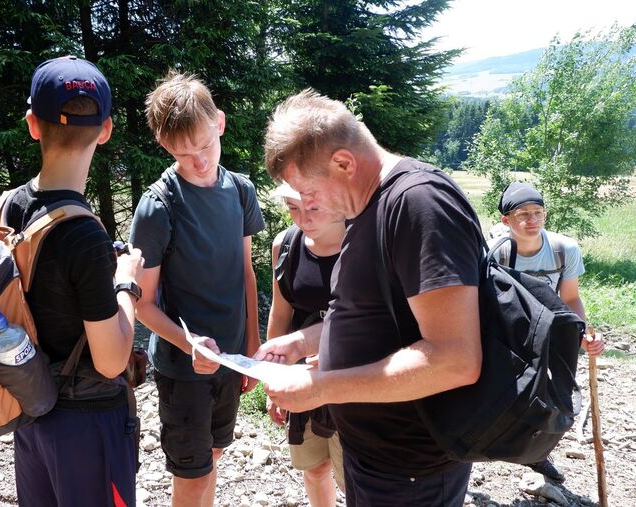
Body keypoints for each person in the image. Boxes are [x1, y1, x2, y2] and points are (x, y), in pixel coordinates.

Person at [254, 89, 484, 507]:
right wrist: (303, 342)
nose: (305, 207)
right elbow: (375, 316)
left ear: (343, 162)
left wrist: (321, 388)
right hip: (372, 455)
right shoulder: (365, 207)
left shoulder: (418, 204)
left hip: (411, 465)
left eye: (307, 191)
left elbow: (454, 359)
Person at [6, 56, 145, 506]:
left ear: (33, 124)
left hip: (31, 413)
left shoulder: (7, 208)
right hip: (88, 426)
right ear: (104, 130)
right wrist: (126, 283)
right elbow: (109, 362)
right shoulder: (84, 236)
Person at [129, 71, 265, 507]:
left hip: (231, 357)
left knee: (214, 452)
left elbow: (246, 272)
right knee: (192, 473)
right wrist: (189, 345)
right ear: (166, 148)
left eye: (205, 146)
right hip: (182, 368)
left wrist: (252, 344)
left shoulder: (241, 191)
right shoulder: (158, 206)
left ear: (220, 123)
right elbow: (143, 305)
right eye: (184, 154)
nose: (200, 162)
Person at [490, 181, 606, 482]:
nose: (532, 220)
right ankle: (475, 452)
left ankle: (537, 456)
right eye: (522, 214)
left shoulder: (564, 249)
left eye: (538, 212)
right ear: (506, 220)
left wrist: (581, 334)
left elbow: (569, 299)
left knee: (557, 397)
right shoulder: (496, 252)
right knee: (498, 395)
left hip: (551, 329)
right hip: (508, 329)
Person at [266, 183, 345, 507]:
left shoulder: (363, 243)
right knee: (313, 468)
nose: (303, 218)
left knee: (354, 477)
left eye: (312, 208)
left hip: (353, 382)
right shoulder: (285, 244)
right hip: (301, 377)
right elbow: (280, 311)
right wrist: (273, 381)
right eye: (292, 207)